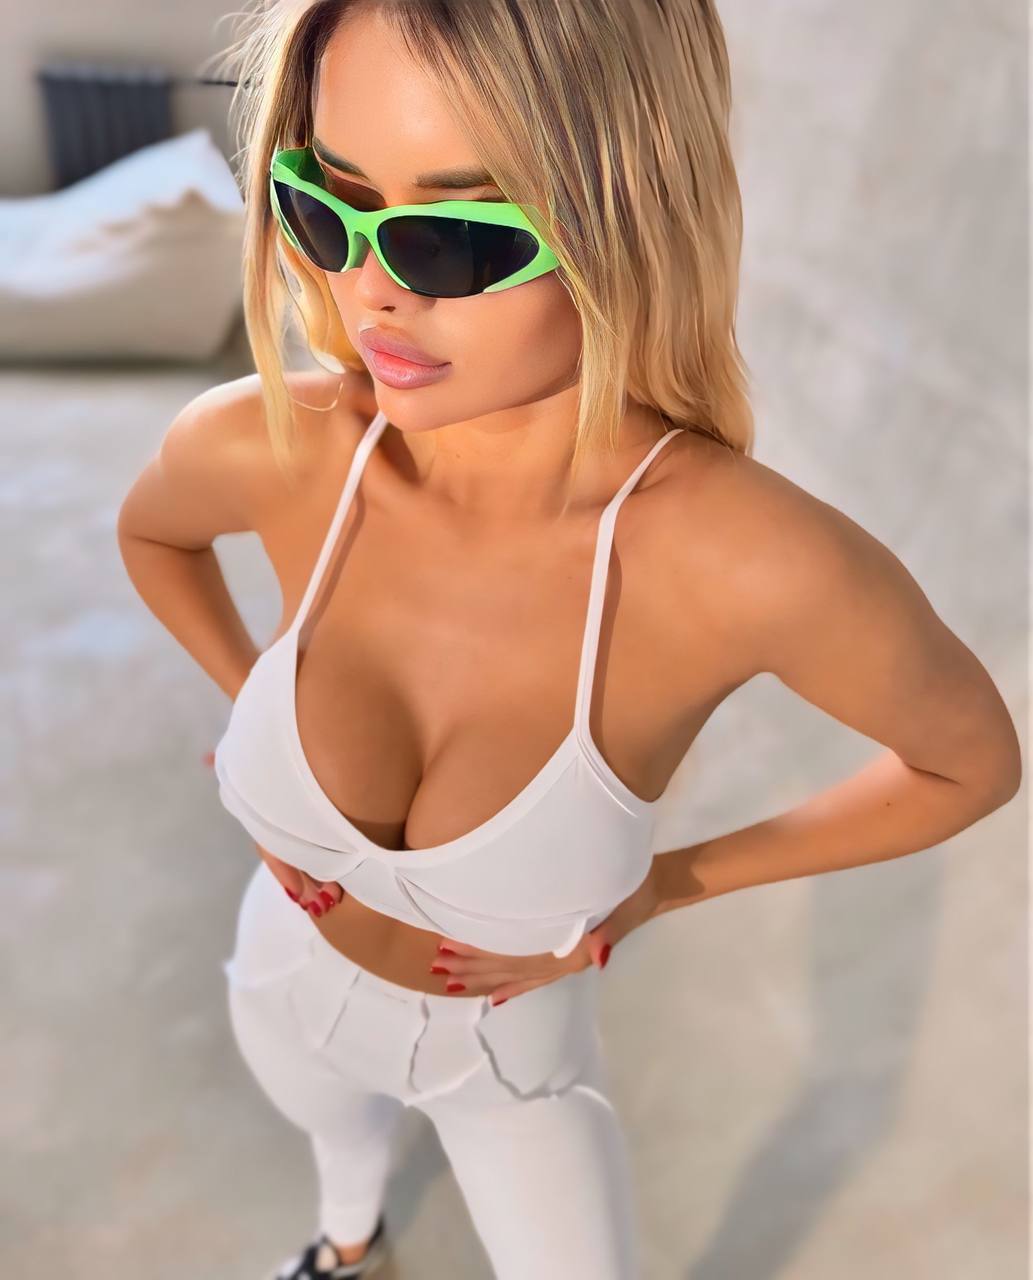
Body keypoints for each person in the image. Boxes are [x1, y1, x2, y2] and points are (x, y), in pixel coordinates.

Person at [116, 1, 1021, 1276]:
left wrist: (668, 883)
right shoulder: (275, 442)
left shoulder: (743, 556)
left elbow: (968, 763)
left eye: (449, 236)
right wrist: (245, 692)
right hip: (282, 977)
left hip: (505, 1070)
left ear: (628, 220)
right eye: (327, 207)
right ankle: (347, 1241)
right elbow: (151, 535)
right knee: (335, 1147)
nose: (367, 288)